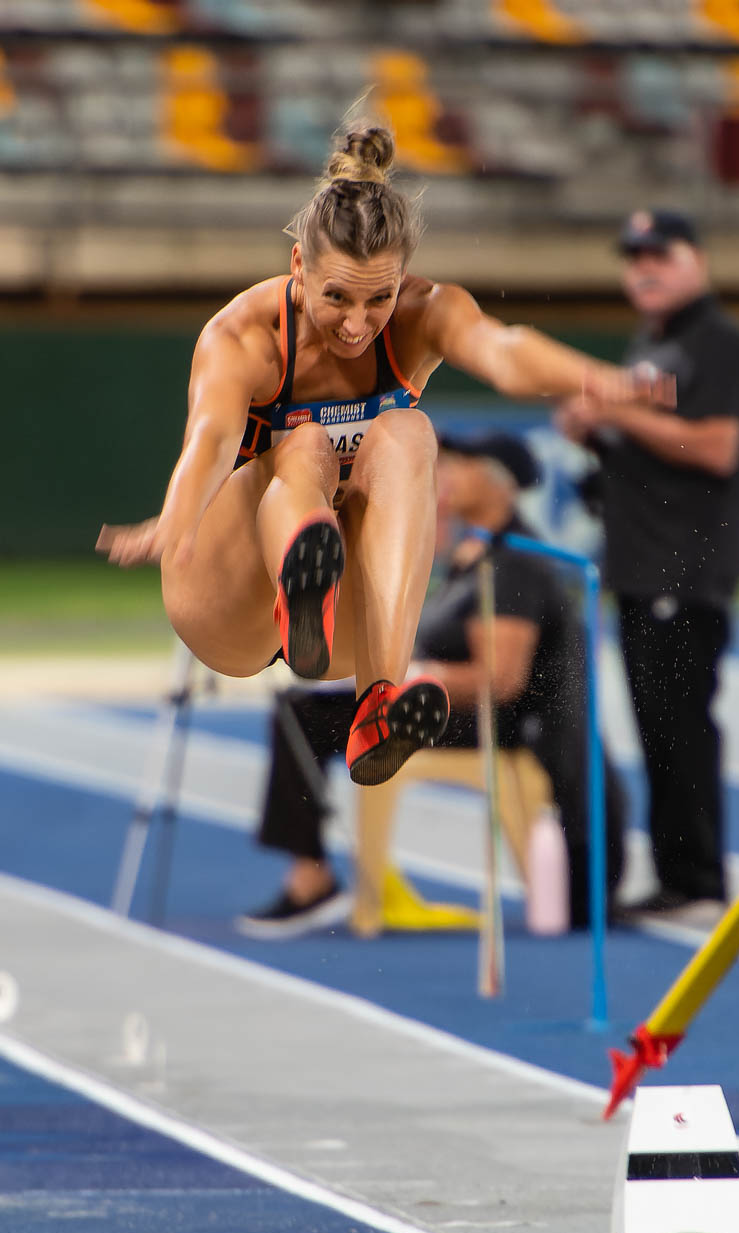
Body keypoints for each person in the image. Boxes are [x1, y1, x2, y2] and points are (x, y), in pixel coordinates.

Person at [97, 120, 670, 792]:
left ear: (403, 279)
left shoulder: (424, 314)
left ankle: (376, 704)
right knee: (304, 443)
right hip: (228, 593)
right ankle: (298, 570)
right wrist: (175, 515)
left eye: (379, 298)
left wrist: (602, 381)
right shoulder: (245, 335)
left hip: (340, 625)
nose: (356, 324)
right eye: (336, 296)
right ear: (298, 267)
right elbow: (212, 436)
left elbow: (505, 352)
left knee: (411, 432)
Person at [238, 430, 628, 938]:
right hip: (455, 706)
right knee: (302, 707)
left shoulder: (515, 564)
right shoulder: (476, 554)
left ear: (499, 485)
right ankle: (311, 872)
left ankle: (311, 879)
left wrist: (420, 679)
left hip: (503, 723)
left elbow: (501, 680)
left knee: (304, 715)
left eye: (461, 463)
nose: (444, 474)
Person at [556, 208, 739, 920]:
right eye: (633, 254)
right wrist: (595, 434)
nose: (644, 266)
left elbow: (715, 447)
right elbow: (646, 445)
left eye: (661, 253)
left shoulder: (716, 341)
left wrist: (613, 410)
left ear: (696, 260)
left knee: (679, 724)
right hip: (644, 562)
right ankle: (680, 872)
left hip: (685, 565)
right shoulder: (652, 345)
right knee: (656, 723)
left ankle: (696, 879)